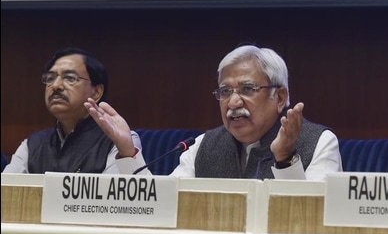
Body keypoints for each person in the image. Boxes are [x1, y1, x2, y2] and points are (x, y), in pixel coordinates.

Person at [170, 44, 342, 180]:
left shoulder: (320, 143)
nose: (233, 102)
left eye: (247, 89)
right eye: (226, 91)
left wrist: (286, 158)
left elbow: (311, 217)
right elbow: (165, 205)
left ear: (280, 97)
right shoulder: (202, 146)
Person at [3, 47, 151, 174]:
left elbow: (123, 201)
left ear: (96, 92)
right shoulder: (32, 145)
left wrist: (126, 153)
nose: (56, 85)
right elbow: (6, 193)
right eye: (50, 78)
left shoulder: (119, 142)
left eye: (70, 78)